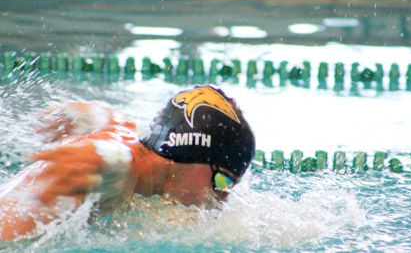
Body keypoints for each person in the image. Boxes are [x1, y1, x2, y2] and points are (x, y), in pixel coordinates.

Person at [0, 85, 255, 241]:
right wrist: (96, 159)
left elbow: (106, 114)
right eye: (223, 181)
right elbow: (112, 161)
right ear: (194, 156)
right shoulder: (124, 168)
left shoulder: (123, 130)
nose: (221, 200)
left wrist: (80, 113)